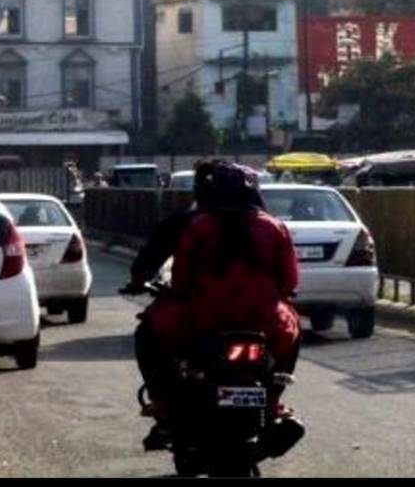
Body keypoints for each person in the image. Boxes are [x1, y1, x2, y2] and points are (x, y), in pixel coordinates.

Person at [122, 160, 303, 455]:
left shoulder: (195, 224)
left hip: (201, 319)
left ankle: (165, 407)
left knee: (146, 333)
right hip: (264, 323)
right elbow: (289, 281)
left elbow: (180, 278)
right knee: (293, 328)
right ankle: (273, 402)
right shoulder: (274, 226)